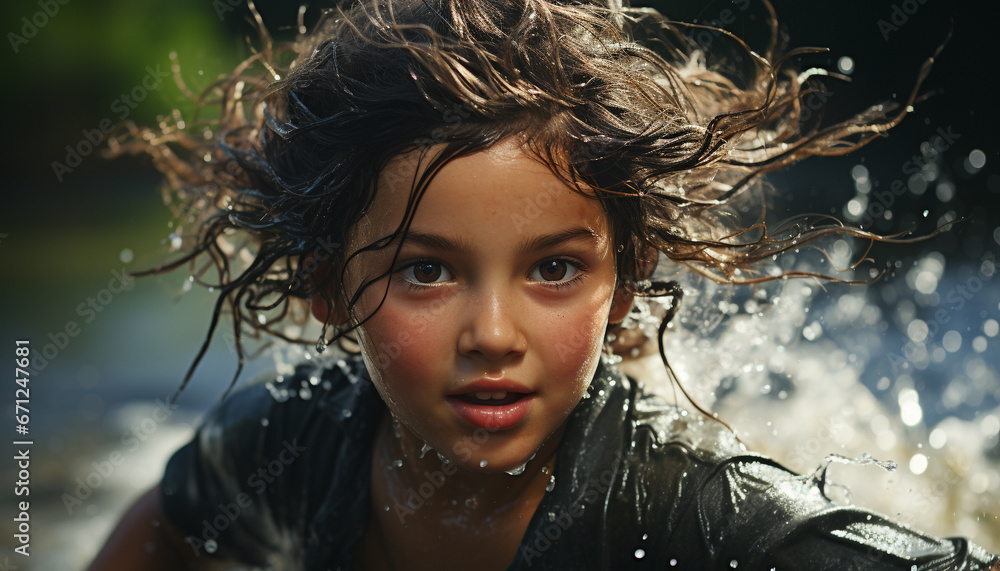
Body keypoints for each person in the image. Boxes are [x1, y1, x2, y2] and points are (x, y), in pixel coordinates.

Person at [89, 0, 998, 569]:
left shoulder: (694, 512)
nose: (493, 331)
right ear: (329, 286)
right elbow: (164, 527)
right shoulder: (285, 447)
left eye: (554, 269)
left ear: (626, 282)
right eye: (427, 270)